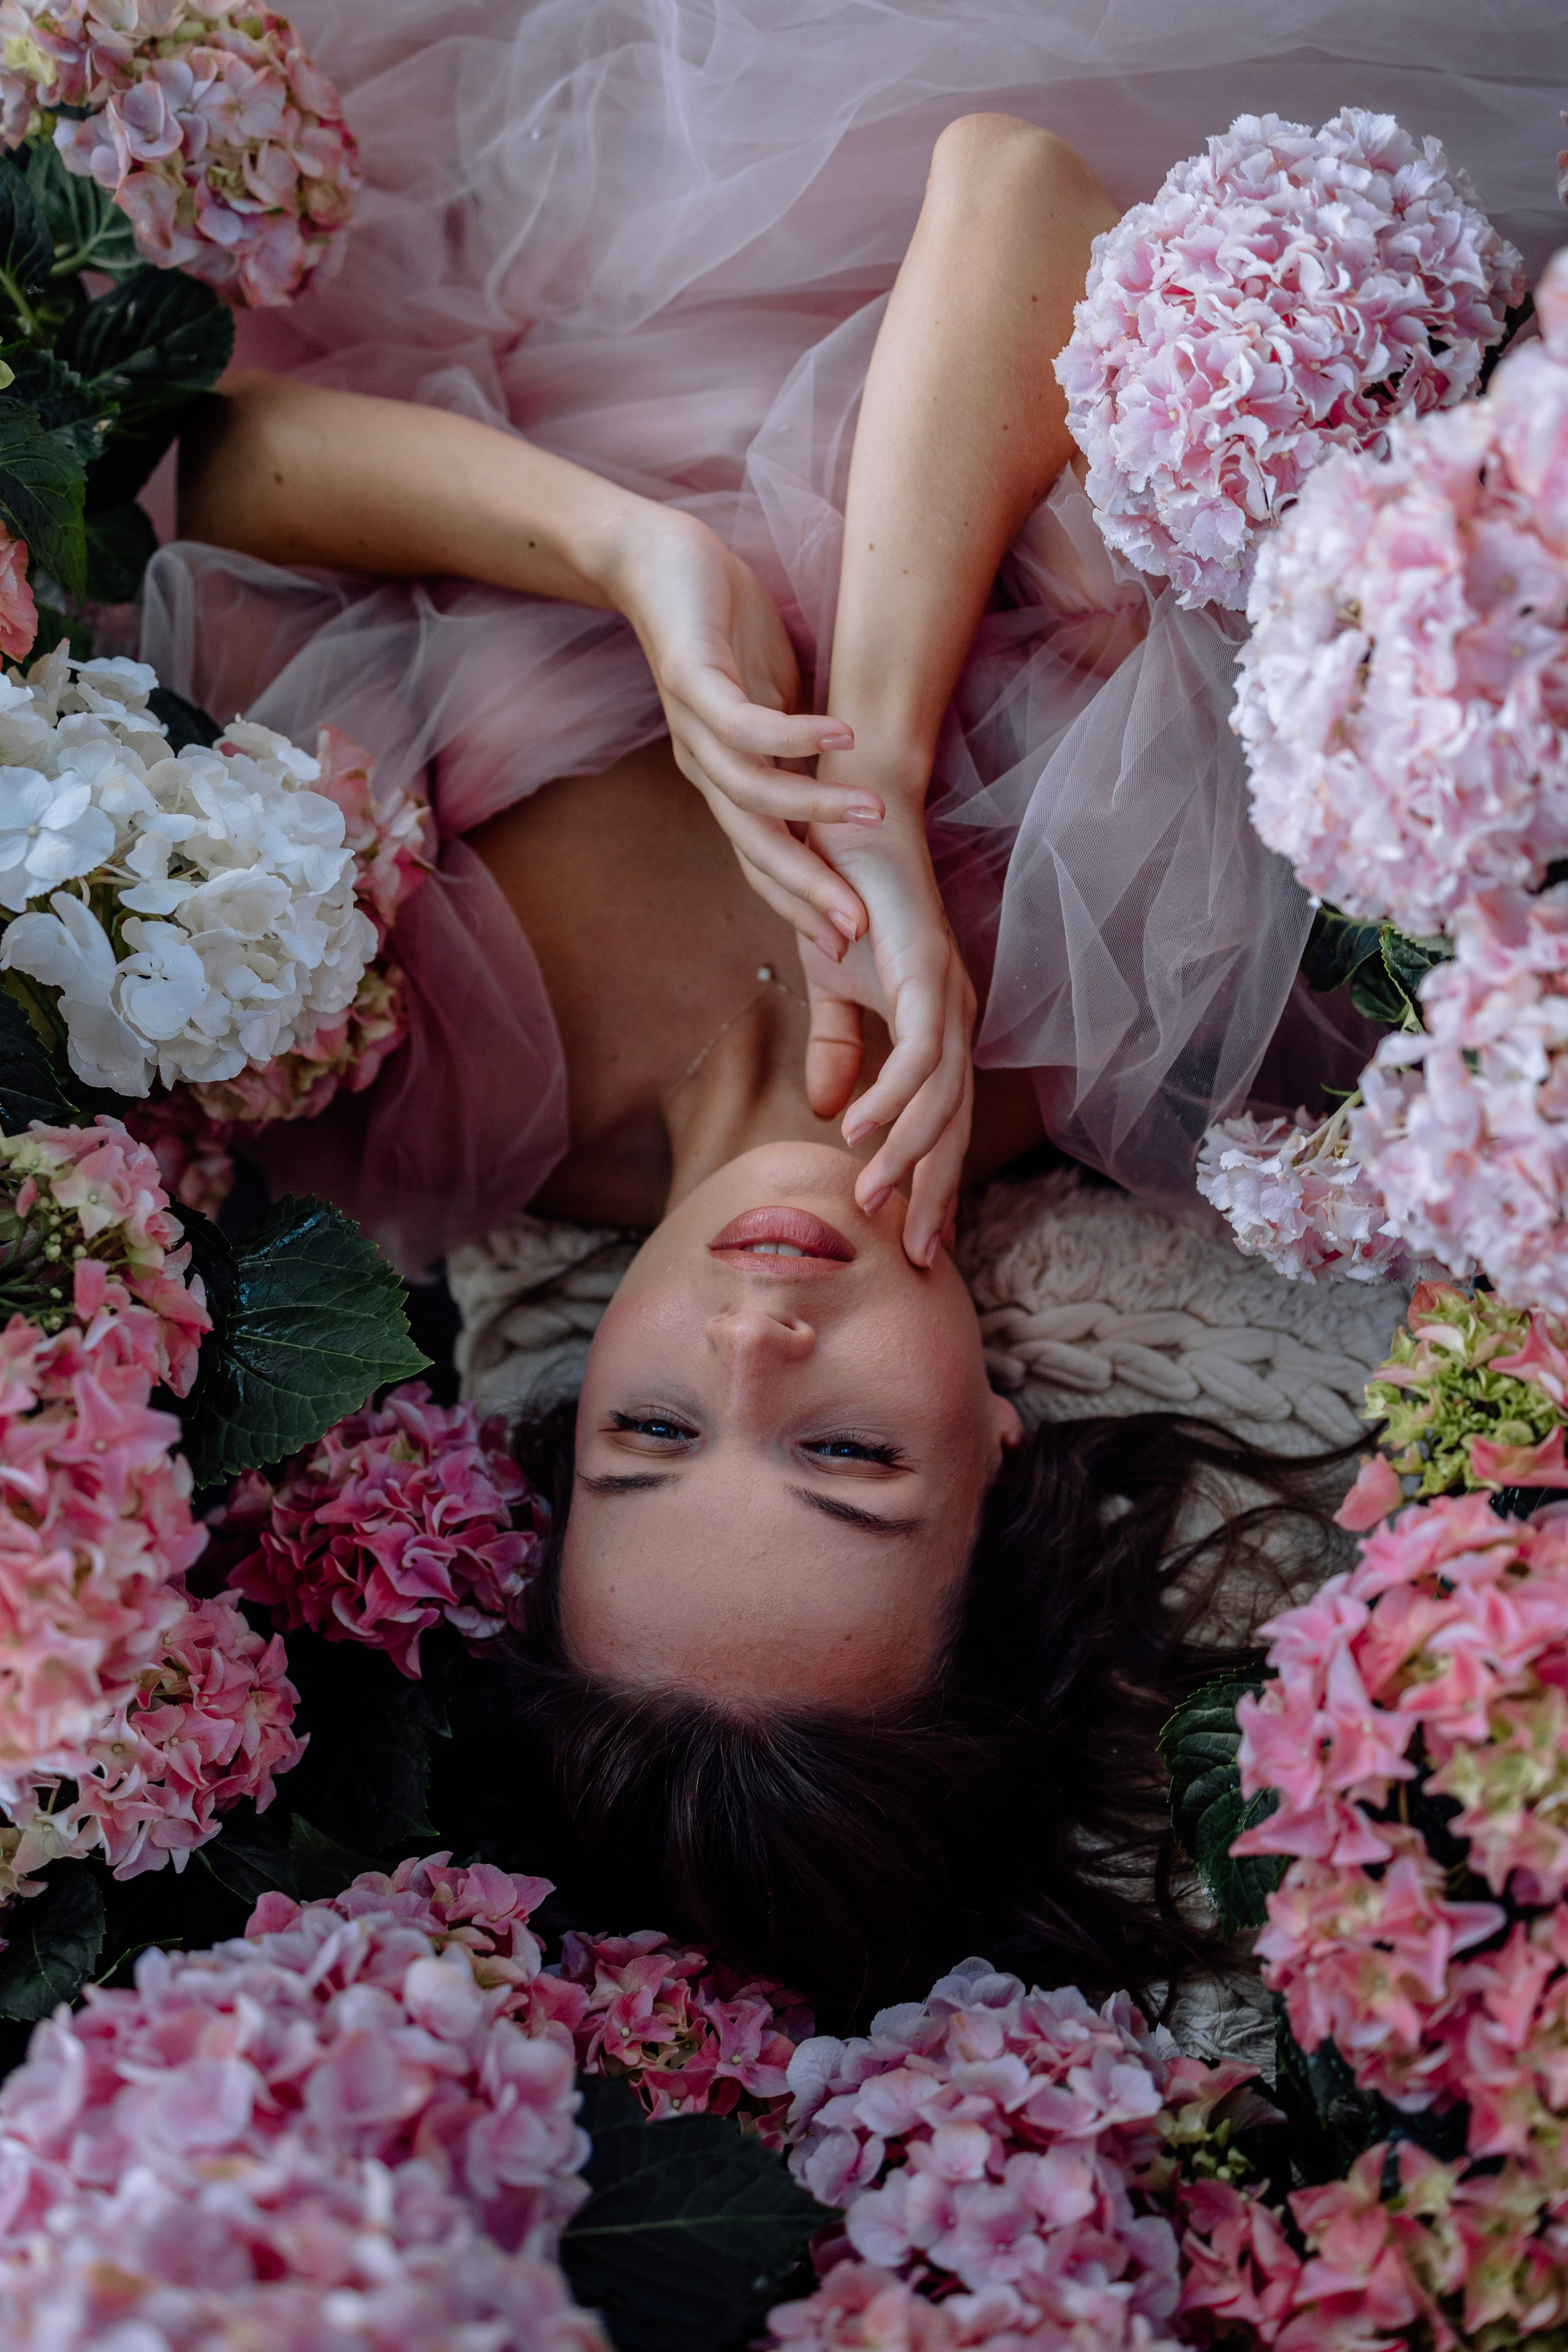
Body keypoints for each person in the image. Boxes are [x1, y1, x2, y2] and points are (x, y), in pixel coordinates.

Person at [157, 2, 1558, 2015]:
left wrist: (633, 556)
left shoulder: (403, 1073)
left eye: (651, 1430)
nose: (754, 1326)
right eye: (842, 1459)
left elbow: (198, 467)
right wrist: (879, 782)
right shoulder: (1177, 1017)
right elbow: (1018, 194)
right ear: (998, 1452)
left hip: (561, 193)